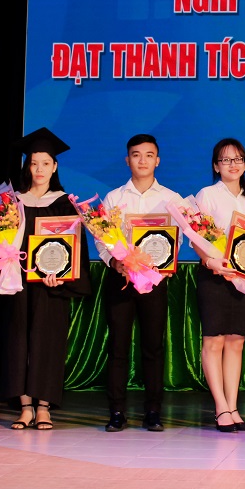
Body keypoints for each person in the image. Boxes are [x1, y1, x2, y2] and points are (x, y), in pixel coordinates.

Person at [2, 127, 91, 430]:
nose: (39, 170)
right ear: (27, 166)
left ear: (55, 167)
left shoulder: (65, 203)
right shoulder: (12, 203)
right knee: (19, 341)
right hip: (19, 283)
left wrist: (64, 277)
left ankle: (44, 407)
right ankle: (25, 406)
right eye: (34, 163)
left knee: (47, 342)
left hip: (51, 286)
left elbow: (75, 249)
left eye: (45, 163)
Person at [96, 133, 185, 433]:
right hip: (121, 280)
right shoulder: (113, 198)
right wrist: (114, 262)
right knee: (118, 347)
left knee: (153, 347)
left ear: (157, 160)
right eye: (136, 155)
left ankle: (153, 411)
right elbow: (102, 238)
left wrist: (166, 264)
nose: (142, 160)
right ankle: (116, 411)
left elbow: (179, 237)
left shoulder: (171, 199)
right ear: (127, 160)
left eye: (149, 155)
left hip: (154, 281)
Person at [193, 138, 245, 433]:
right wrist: (211, 262)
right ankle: (220, 407)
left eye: (238, 159)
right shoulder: (207, 194)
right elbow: (197, 237)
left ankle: (233, 407)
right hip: (214, 277)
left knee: (236, 341)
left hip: (243, 281)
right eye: (225, 160)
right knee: (214, 341)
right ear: (216, 166)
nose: (232, 165)